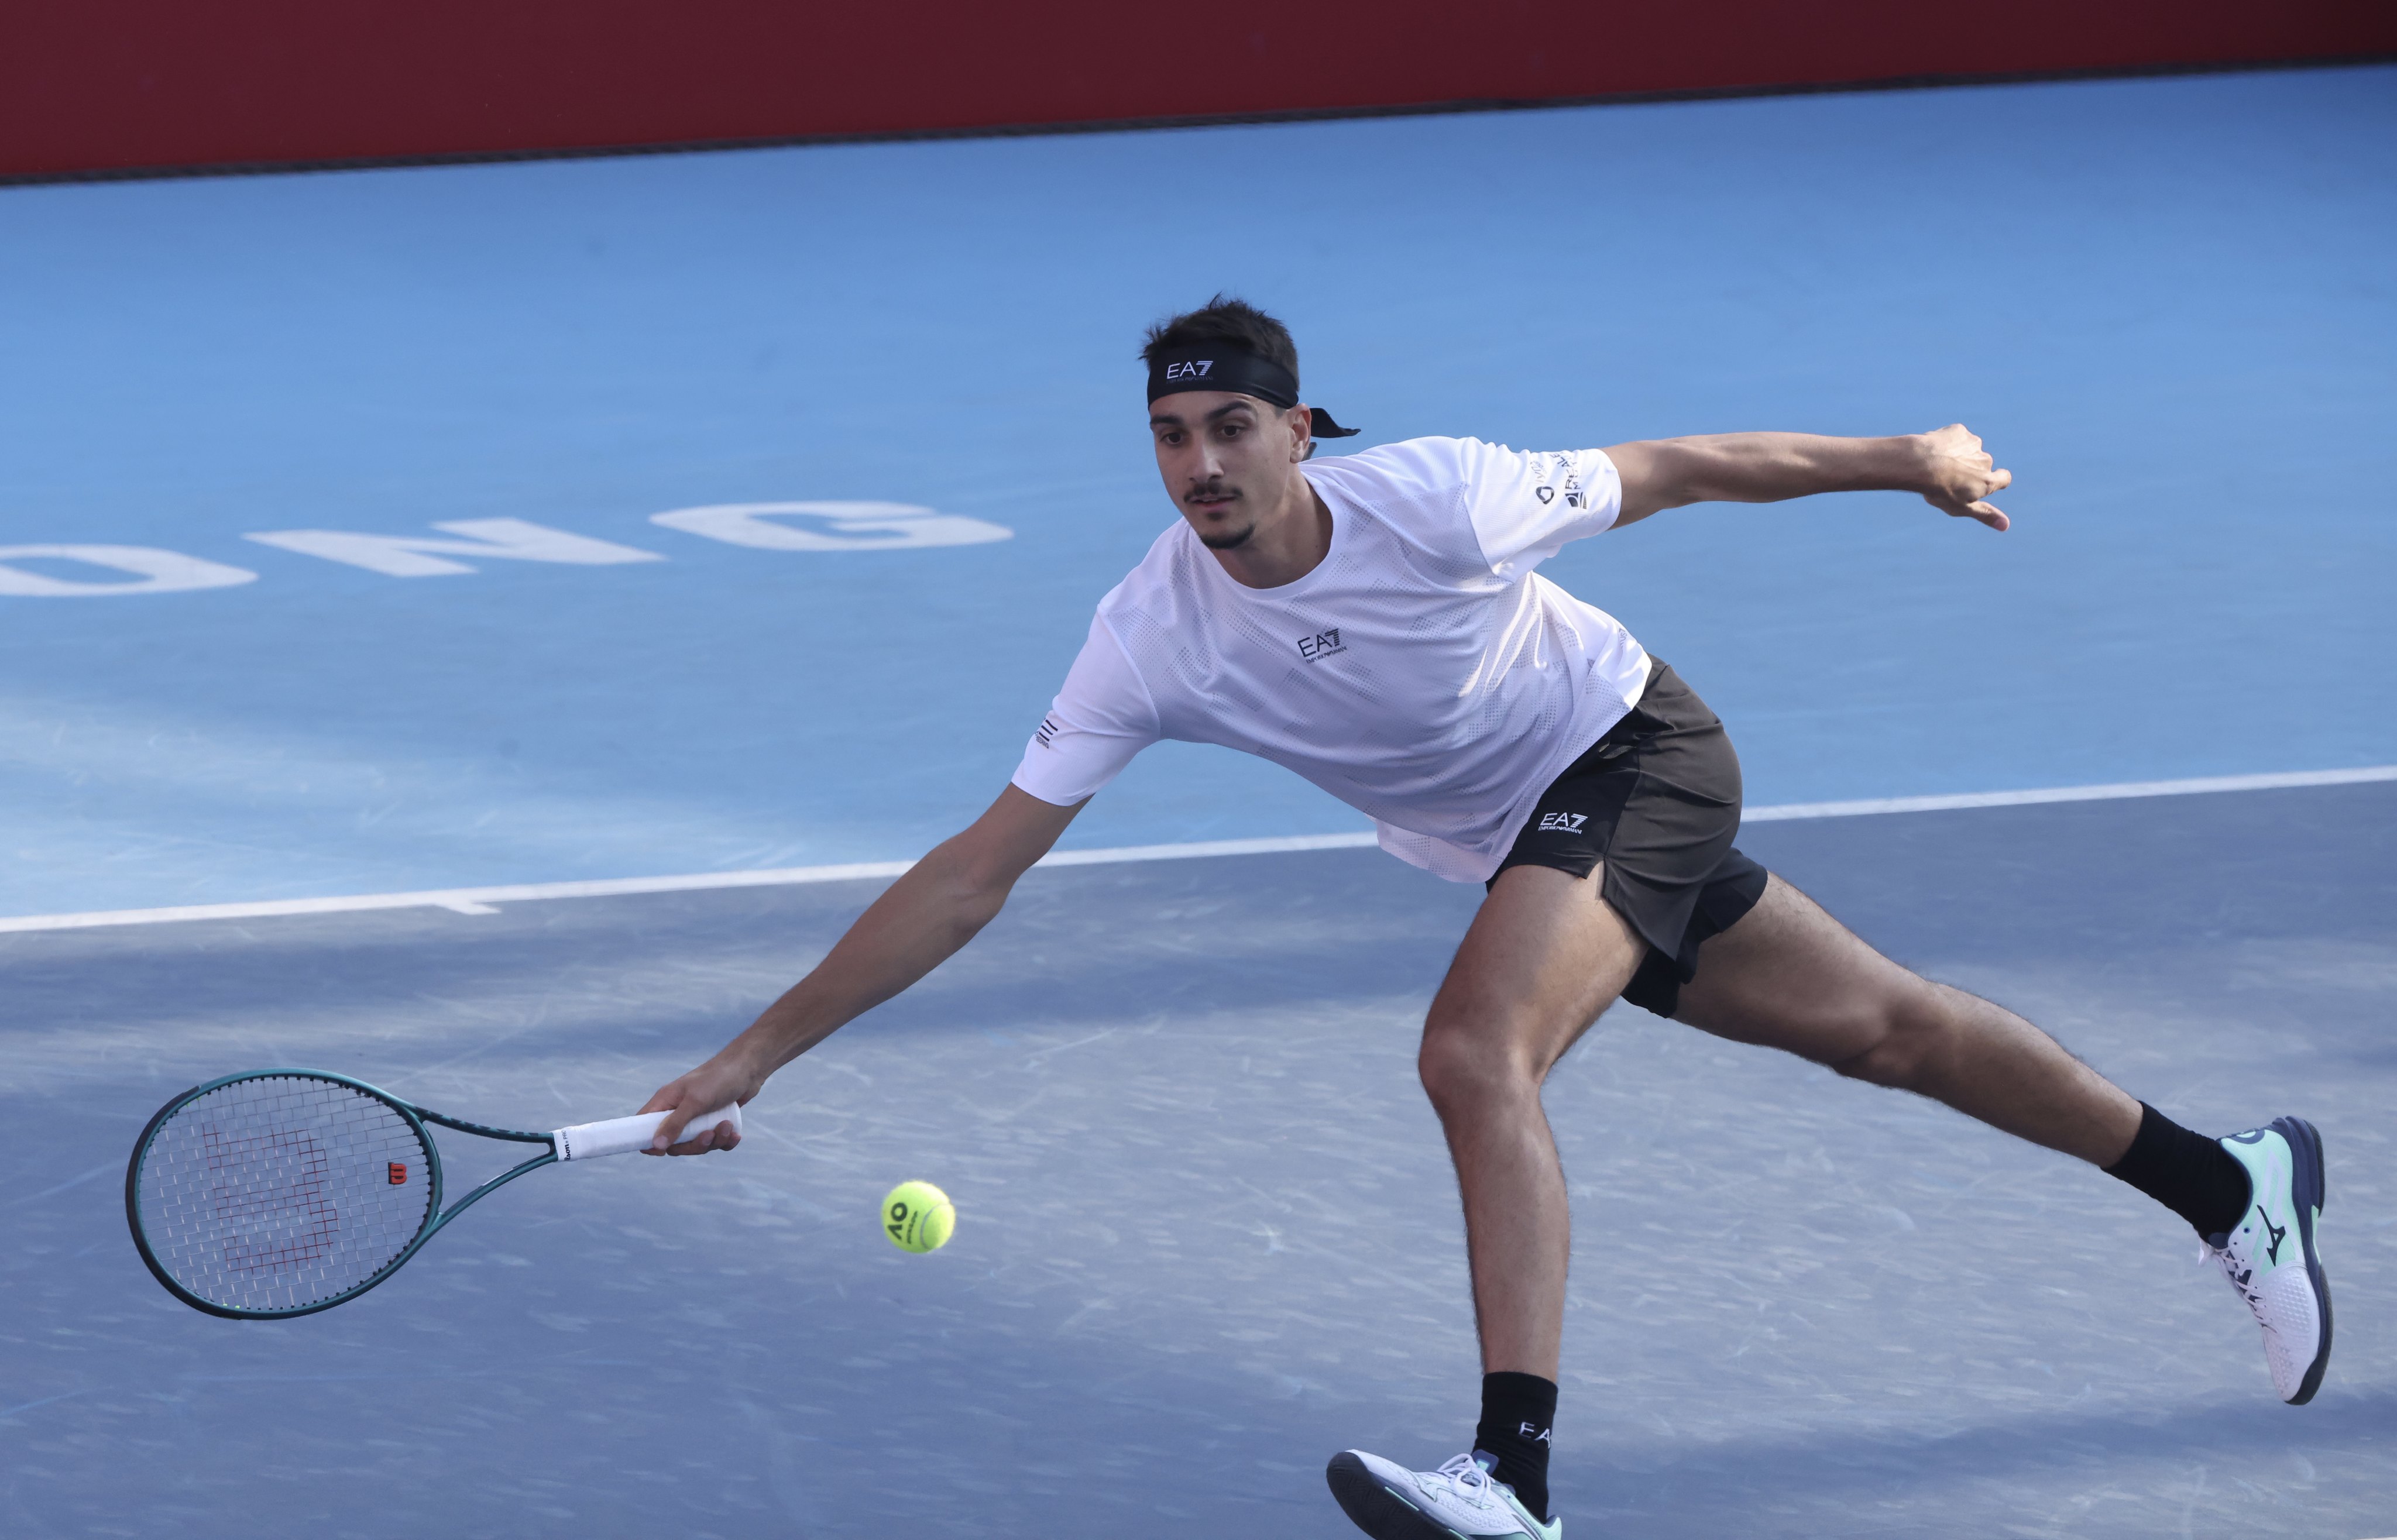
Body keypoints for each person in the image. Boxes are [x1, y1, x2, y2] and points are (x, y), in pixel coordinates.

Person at [639, 297, 2331, 1540]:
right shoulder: (1149, 632)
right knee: (1885, 1027)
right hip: (1522, 835)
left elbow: (1680, 468)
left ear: (1302, 435)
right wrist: (755, 1053)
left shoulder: (1439, 498)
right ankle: (2228, 1181)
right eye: (1171, 436)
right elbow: (976, 868)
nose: (1201, 464)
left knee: (1473, 1052)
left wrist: (1912, 460)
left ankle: (1511, 1476)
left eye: (1233, 427)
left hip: (1632, 754)